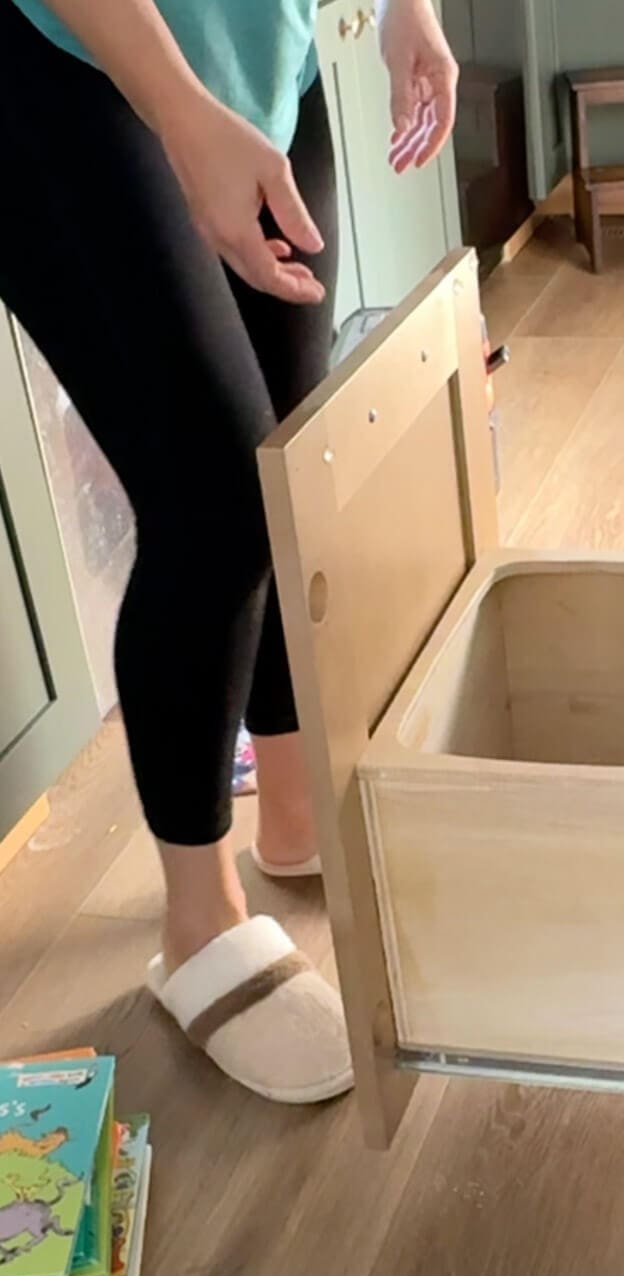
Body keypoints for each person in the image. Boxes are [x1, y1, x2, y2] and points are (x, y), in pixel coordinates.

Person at [0, 0, 459, 1103]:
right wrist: (178, 111)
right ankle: (199, 919)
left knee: (287, 466)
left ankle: (295, 812)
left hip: (266, 49)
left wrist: (409, 7)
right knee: (214, 496)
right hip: (70, 62)